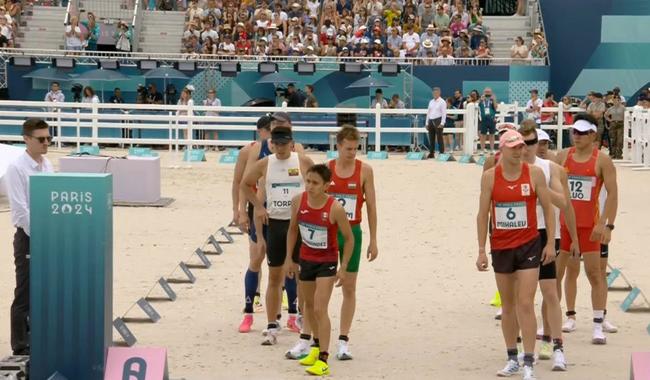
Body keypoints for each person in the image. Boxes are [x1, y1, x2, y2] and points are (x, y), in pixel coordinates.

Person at [290, 125, 378, 361]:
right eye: (348, 148)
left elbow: (371, 206)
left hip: (353, 232)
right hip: (325, 233)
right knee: (314, 294)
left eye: (355, 148)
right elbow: (309, 196)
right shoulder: (327, 168)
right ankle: (305, 339)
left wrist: (374, 239)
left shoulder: (365, 171)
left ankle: (343, 341)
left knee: (349, 287)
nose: (352, 152)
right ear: (338, 146)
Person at [476, 129, 556, 380]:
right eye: (512, 147)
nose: (518, 151)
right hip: (501, 246)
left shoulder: (534, 173)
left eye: (520, 146)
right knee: (508, 305)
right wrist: (481, 249)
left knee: (525, 302)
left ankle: (529, 362)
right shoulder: (490, 176)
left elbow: (548, 209)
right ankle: (512, 357)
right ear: (502, 149)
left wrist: (550, 243)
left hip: (529, 245)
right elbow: (482, 214)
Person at [242, 115, 312, 345]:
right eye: (276, 144)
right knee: (274, 275)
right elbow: (245, 183)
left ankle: (302, 316)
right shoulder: (265, 163)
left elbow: (322, 185)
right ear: (271, 143)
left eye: (284, 144)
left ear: (291, 144)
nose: (280, 148)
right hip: (277, 224)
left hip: (300, 224)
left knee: (302, 274)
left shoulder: (302, 161)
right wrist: (258, 207)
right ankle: (272, 325)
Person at [517, 122, 579, 371]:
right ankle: (523, 348)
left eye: (532, 143)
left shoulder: (550, 168)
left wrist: (539, 186)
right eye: (523, 144)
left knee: (550, 293)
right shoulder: (507, 167)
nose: (527, 149)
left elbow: (564, 202)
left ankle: (558, 349)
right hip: (518, 233)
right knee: (521, 298)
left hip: (544, 234)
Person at [554, 113, 618, 344]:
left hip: (590, 227)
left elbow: (612, 194)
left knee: (594, 274)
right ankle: (559, 319)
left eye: (582, 132)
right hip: (565, 227)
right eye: (574, 131)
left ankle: (598, 324)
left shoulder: (602, 160)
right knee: (559, 275)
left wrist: (606, 225)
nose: (576, 136)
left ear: (593, 134)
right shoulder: (563, 156)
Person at [285, 164, 354, 376]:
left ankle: (324, 358)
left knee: (319, 308)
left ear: (326, 185)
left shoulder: (335, 208)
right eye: (308, 181)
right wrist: (289, 258)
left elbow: (349, 239)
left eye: (315, 183)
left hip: (327, 263)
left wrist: (343, 268)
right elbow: (293, 230)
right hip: (306, 259)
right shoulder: (298, 201)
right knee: (306, 306)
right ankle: (314, 347)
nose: (310, 186)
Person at [5, 118, 55, 356]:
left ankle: (40, 336)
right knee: (25, 290)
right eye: (41, 139)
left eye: (49, 137)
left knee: (45, 288)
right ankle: (20, 344)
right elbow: (20, 210)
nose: (47, 142)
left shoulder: (48, 165)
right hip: (28, 236)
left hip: (48, 235)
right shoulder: (16, 168)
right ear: (26, 139)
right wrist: (41, 234)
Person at [234, 115, 273, 333]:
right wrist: (239, 210)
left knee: (284, 262)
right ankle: (252, 302)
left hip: (279, 212)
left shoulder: (294, 150)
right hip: (258, 208)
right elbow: (239, 183)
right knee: (256, 256)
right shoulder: (251, 151)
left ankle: (288, 309)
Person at [425, 87, 446, 158]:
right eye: (434, 93)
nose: (435, 94)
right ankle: (431, 153)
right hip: (431, 120)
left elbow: (444, 113)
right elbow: (428, 112)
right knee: (431, 138)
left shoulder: (442, 102)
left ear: (439, 93)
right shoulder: (431, 101)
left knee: (439, 137)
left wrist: (442, 123)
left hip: (438, 120)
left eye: (436, 93)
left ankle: (441, 153)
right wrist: (427, 123)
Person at [605, 95, 625, 159]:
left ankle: (619, 154)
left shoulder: (623, 108)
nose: (615, 101)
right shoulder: (610, 108)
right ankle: (613, 154)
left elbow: (627, 115)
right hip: (613, 123)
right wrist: (610, 120)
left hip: (620, 123)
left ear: (619, 100)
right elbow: (605, 115)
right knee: (613, 139)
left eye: (617, 100)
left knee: (620, 140)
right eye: (614, 100)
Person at [478, 87, 497, 154]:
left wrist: (494, 100)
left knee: (492, 134)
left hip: (491, 119)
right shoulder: (481, 99)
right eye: (486, 92)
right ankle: (482, 150)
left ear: (491, 92)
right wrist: (480, 100)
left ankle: (492, 149)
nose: (487, 93)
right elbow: (476, 106)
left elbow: (495, 107)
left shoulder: (493, 99)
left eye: (489, 92)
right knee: (483, 135)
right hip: (483, 119)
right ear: (484, 92)